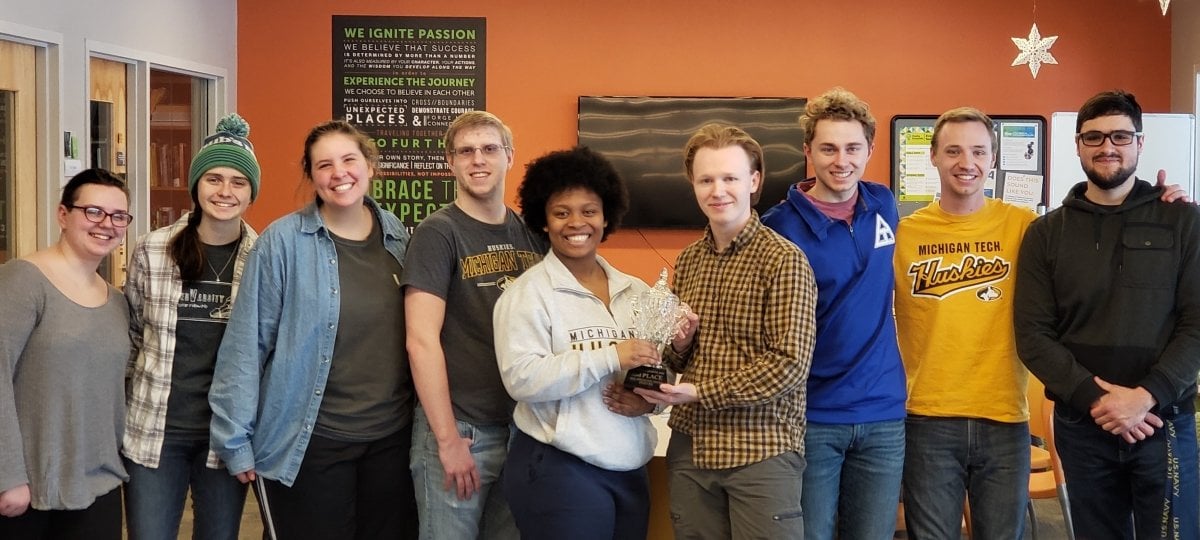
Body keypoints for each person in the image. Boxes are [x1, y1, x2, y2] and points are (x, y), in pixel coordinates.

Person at [209, 119, 417, 539]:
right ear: (311, 174)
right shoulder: (282, 243)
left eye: (348, 160)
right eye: (324, 165)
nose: (338, 173)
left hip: (392, 441)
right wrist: (233, 438)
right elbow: (247, 345)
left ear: (370, 166)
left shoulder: (398, 237)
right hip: (310, 442)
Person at [1015, 90, 1200, 539]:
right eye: (1093, 137)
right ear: (1077, 145)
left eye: (1120, 135)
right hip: (1084, 427)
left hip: (1164, 423)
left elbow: (1196, 323)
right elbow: (1033, 334)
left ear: (1139, 142)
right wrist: (1099, 400)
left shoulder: (1182, 221)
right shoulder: (1046, 233)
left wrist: (1145, 396)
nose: (1107, 147)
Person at [636, 123, 816, 539]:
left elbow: (789, 365)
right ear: (693, 185)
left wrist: (699, 392)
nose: (718, 190)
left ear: (753, 182)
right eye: (706, 179)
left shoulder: (784, 261)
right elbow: (676, 356)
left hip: (761, 451)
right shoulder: (690, 260)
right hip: (692, 448)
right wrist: (680, 344)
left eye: (730, 178)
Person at [493, 146, 662, 539]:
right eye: (561, 212)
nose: (576, 223)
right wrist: (609, 356)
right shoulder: (526, 295)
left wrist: (647, 401)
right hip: (559, 469)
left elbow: (652, 365)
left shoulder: (634, 291)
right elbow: (522, 378)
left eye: (589, 211)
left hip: (630, 471)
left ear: (606, 218)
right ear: (544, 221)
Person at [759, 88, 906, 539]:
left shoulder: (884, 204)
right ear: (808, 151)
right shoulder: (777, 227)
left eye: (852, 148)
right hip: (812, 417)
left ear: (870, 151)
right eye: (828, 148)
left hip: (884, 414)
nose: (841, 160)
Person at [892, 107, 1038, 538]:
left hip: (1005, 417)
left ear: (992, 158)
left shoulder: (1025, 227)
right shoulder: (904, 233)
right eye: (953, 150)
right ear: (933, 157)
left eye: (978, 151)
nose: (966, 163)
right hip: (927, 417)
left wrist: (1155, 203)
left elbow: (1093, 237)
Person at [402, 110, 545, 540]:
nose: (478, 160)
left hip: (520, 427)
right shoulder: (437, 233)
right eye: (466, 151)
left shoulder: (529, 232)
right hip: (462, 431)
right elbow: (420, 341)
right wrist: (447, 441)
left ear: (509, 156)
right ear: (451, 162)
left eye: (489, 149)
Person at [121, 113, 260, 540]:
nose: (225, 191)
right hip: (155, 430)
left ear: (251, 191)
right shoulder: (153, 248)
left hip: (227, 436)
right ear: (196, 185)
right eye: (214, 179)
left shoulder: (265, 256)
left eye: (238, 181)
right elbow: (133, 334)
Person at [0, 169, 132, 539]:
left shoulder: (117, 302)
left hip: (98, 487)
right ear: (63, 215)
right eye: (93, 211)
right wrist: (7, 476)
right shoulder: (23, 281)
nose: (106, 224)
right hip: (29, 490)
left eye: (118, 216)